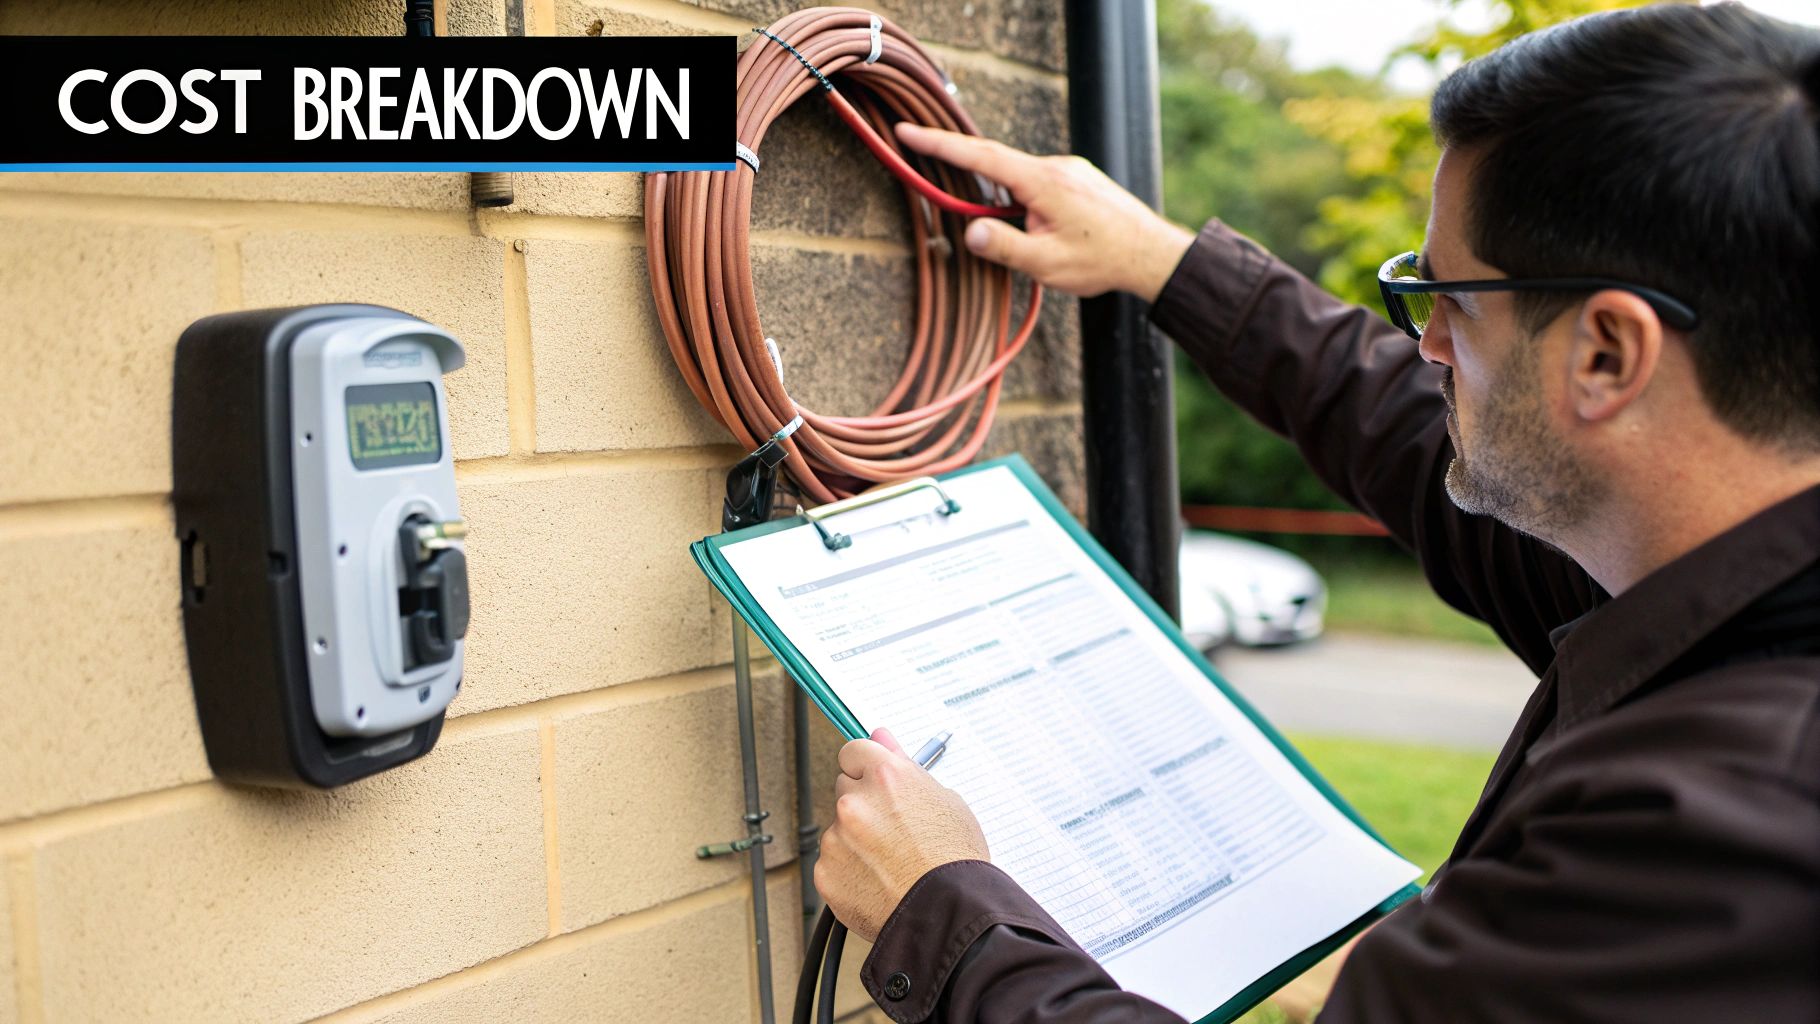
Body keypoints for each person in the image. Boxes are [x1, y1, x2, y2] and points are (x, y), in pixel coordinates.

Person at [810, 4, 1820, 1021]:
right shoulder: (1728, 591)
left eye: (1447, 303)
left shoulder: (1710, 834)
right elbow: (1411, 436)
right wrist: (1160, 260)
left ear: (1606, 353)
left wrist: (944, 915)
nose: (1425, 348)